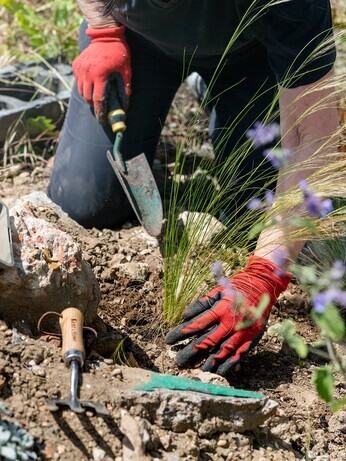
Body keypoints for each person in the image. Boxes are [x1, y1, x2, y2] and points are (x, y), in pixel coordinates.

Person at [48, 0, 339, 376]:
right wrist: (103, 31)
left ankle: (220, 92)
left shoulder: (287, 5)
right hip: (136, 40)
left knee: (249, 210)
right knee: (84, 204)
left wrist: (266, 273)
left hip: (248, 55)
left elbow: (314, 136)